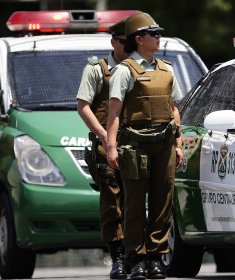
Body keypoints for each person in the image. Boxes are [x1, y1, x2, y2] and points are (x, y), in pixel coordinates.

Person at [106, 12, 183, 280]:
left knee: (163, 202)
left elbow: (174, 108)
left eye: (160, 34)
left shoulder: (167, 69)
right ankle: (136, 257)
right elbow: (113, 113)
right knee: (135, 203)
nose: (159, 38)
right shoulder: (124, 71)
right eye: (154, 34)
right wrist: (112, 146)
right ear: (139, 39)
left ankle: (155, 258)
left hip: (164, 145)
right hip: (135, 146)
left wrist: (179, 144)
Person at [76, 18, 130, 279]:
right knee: (112, 203)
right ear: (113, 42)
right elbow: (83, 106)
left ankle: (141, 254)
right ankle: (118, 256)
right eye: (123, 41)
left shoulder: (143, 68)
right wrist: (105, 137)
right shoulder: (98, 70)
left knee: (141, 202)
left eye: (132, 40)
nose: (128, 45)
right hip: (107, 147)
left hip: (139, 144)